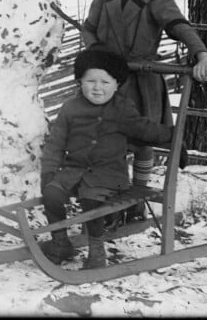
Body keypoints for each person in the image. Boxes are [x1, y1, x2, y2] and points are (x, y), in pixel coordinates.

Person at [81, 0, 207, 221]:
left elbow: (179, 26)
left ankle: (136, 202)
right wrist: (96, 53)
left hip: (142, 83)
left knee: (142, 141)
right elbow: (89, 28)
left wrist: (200, 53)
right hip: (107, 82)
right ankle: (111, 201)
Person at [40, 49, 174, 269]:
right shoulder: (70, 109)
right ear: (79, 82)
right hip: (74, 172)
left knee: (91, 200)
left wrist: (173, 135)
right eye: (90, 81)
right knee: (51, 194)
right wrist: (48, 173)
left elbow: (144, 129)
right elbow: (55, 144)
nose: (97, 87)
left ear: (117, 84)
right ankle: (60, 242)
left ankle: (96, 252)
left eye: (105, 82)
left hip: (111, 175)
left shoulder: (122, 109)